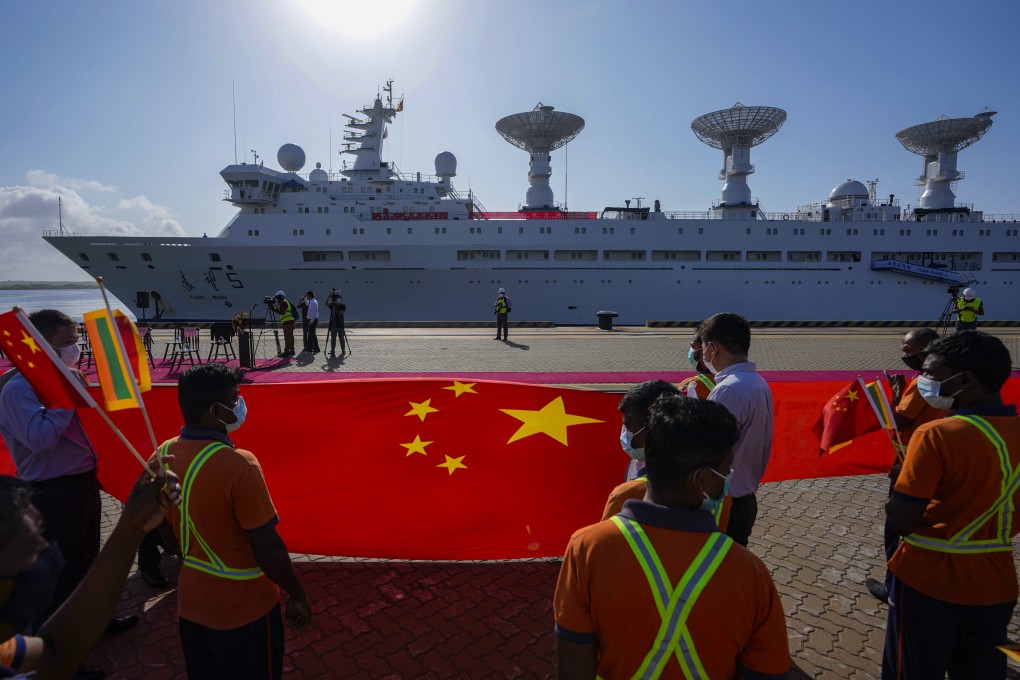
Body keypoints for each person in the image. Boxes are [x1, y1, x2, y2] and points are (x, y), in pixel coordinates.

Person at [554, 395, 790, 679]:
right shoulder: (750, 574)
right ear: (702, 479)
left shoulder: (587, 549)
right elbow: (767, 672)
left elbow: (573, 662)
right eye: (725, 470)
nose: (727, 478)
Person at [160, 363, 311, 679]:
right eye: (234, 400)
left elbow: (165, 531)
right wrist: (296, 594)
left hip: (192, 603)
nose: (239, 405)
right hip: (245, 607)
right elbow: (267, 547)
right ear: (215, 411)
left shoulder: (163, 453)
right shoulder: (239, 465)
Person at [883, 331, 1019, 679]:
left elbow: (902, 520)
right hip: (995, 582)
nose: (924, 381)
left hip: (928, 582)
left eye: (931, 374)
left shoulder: (937, 435)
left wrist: (902, 479)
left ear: (965, 380)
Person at [0, 309, 139, 636]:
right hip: (52, 489)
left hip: (82, 482)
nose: (75, 350)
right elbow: (40, 440)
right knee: (60, 571)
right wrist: (67, 398)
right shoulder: (18, 388)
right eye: (67, 342)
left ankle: (95, 621)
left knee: (88, 560)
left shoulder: (58, 378)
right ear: (42, 345)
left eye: (77, 341)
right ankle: (58, 647)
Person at [0, 464, 181, 679]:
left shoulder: (7, 649)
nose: (46, 548)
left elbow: (54, 653)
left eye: (41, 533)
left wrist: (133, 527)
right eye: (29, 546)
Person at [864, 327, 947, 604]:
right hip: (938, 465)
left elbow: (898, 421)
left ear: (927, 349)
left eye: (909, 350)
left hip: (909, 466)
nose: (904, 355)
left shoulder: (922, 382)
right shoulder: (950, 379)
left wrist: (897, 393)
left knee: (896, 530)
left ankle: (893, 589)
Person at [604, 381, 731, 531]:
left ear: (652, 427)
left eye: (628, 427)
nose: (625, 433)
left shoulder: (625, 495)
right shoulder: (718, 488)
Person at [698, 312, 773, 548]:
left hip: (723, 503)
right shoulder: (758, 383)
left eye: (701, 347)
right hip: (744, 498)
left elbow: (706, 447)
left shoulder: (728, 390)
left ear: (712, 349)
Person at [677, 332, 716, 399]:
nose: (691, 350)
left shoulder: (689, 385)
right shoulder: (731, 377)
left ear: (705, 349)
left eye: (692, 346)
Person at [273, 291, 296, 357]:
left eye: (277, 298)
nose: (277, 299)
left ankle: (286, 352)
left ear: (281, 297)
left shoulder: (283, 302)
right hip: (290, 321)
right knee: (291, 336)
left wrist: (273, 309)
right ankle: (292, 350)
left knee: (287, 337)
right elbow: (281, 310)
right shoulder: (284, 302)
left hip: (287, 322)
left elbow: (282, 312)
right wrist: (274, 309)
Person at [326, 289, 347, 357]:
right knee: (333, 339)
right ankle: (332, 350)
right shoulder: (332, 305)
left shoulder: (342, 306)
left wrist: (336, 309)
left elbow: (341, 313)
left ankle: (343, 350)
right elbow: (326, 303)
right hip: (333, 325)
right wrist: (330, 295)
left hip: (340, 325)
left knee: (341, 338)